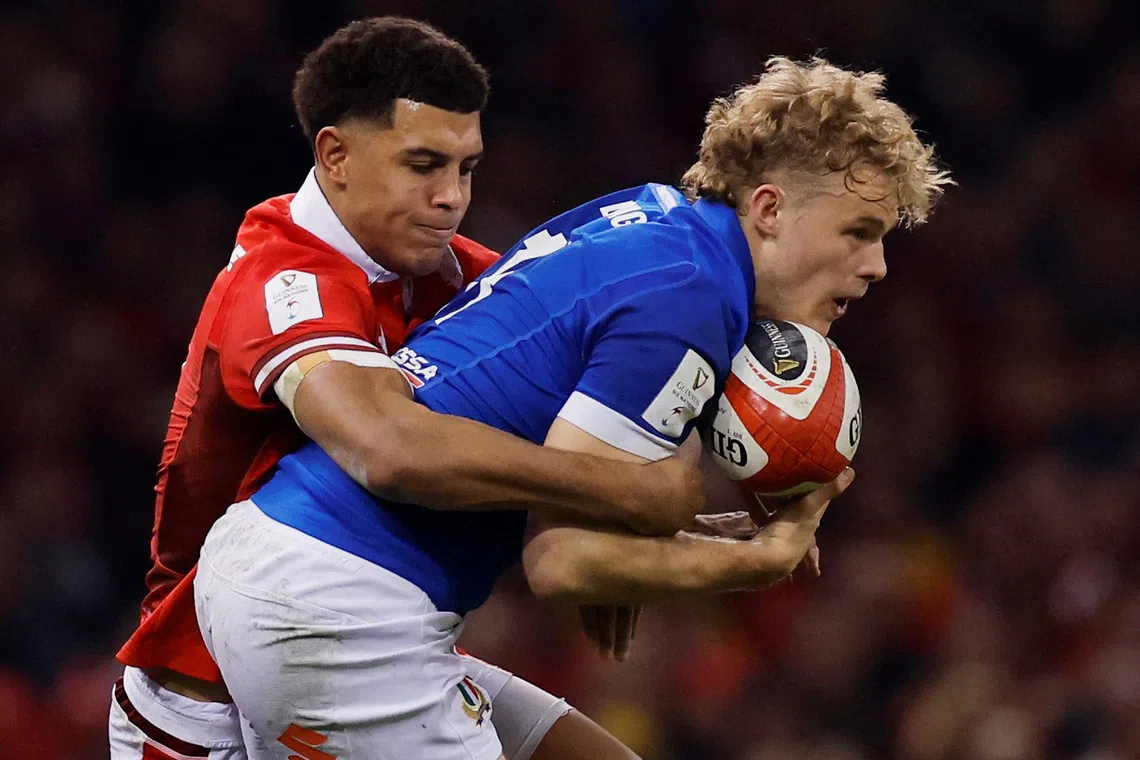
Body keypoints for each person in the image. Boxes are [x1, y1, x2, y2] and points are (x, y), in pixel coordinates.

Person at [194, 56, 952, 760]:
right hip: (335, 607)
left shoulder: (654, 216)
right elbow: (562, 563)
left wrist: (649, 530)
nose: (876, 265)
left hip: (298, 574)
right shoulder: (692, 297)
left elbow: (573, 470)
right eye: (859, 232)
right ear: (769, 207)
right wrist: (758, 560)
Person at [108, 16, 707, 760]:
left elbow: (603, 352)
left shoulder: (449, 270)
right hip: (208, 704)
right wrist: (626, 492)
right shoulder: (282, 282)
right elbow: (385, 446)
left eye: (466, 168)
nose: (451, 196)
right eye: (423, 165)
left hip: (363, 642)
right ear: (336, 156)